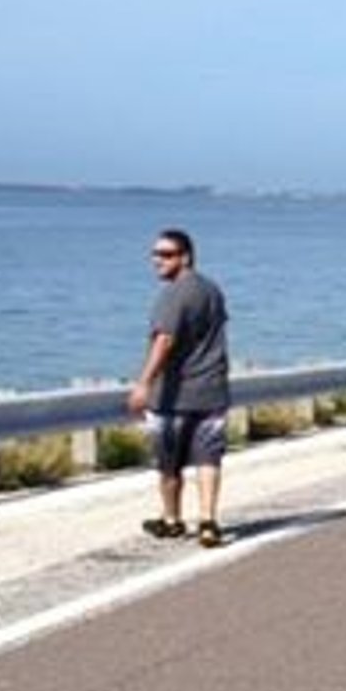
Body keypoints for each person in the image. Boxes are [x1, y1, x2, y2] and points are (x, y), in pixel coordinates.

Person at [127, 227, 232, 547]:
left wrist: (143, 384)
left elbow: (165, 339)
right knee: (208, 459)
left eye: (166, 254)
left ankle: (172, 520)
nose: (157, 260)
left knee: (169, 464)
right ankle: (208, 521)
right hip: (212, 390)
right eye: (155, 254)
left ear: (185, 257)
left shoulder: (174, 294)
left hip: (175, 395)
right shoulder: (212, 290)